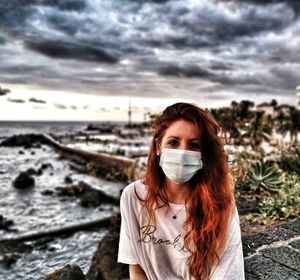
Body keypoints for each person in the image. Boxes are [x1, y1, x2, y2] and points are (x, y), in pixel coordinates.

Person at [118, 102, 245, 280]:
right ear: (158, 147)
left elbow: (228, 275)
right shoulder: (134, 196)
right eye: (173, 142)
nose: (182, 153)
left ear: (204, 154)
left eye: (194, 145)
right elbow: (137, 270)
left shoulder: (221, 202)